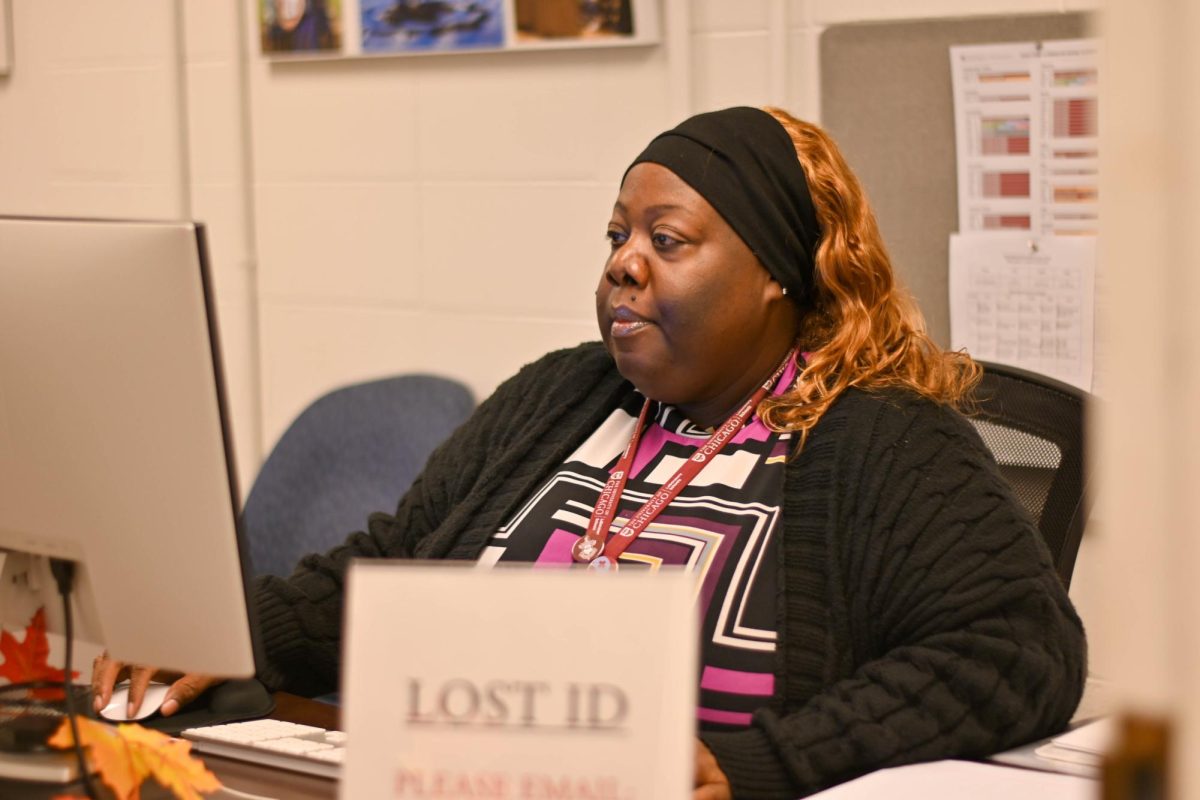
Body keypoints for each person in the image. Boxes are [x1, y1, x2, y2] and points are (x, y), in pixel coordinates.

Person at [94, 106, 1086, 798]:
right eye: (618, 233)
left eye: (670, 237)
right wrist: (225, 631)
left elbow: (1015, 650)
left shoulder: (879, 434)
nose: (623, 260)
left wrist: (755, 766)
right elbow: (393, 567)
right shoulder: (564, 393)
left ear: (779, 274)